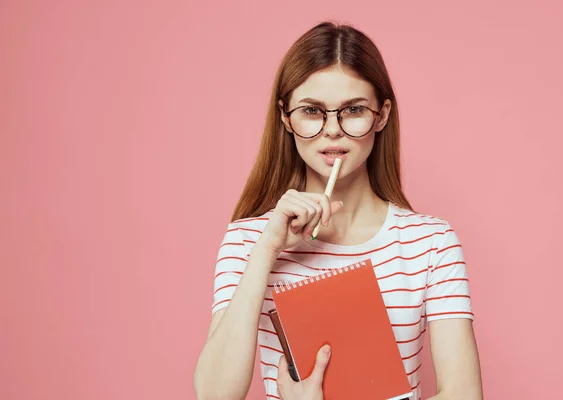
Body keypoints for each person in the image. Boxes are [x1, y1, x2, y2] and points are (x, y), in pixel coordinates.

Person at [194, 21, 483, 400]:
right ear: (286, 118)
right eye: (312, 111)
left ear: (381, 115)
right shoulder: (249, 240)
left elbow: (464, 394)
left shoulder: (429, 243)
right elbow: (214, 395)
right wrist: (267, 249)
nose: (333, 130)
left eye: (353, 110)